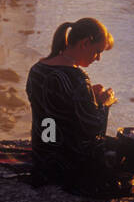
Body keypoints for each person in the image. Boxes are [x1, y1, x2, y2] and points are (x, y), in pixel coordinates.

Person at [25, 17, 124, 192]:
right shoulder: (77, 77)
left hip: (42, 154)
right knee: (125, 148)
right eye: (98, 51)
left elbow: (54, 107)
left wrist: (87, 96)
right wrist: (104, 103)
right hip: (69, 162)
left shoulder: (37, 69)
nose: (99, 58)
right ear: (85, 43)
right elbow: (93, 129)